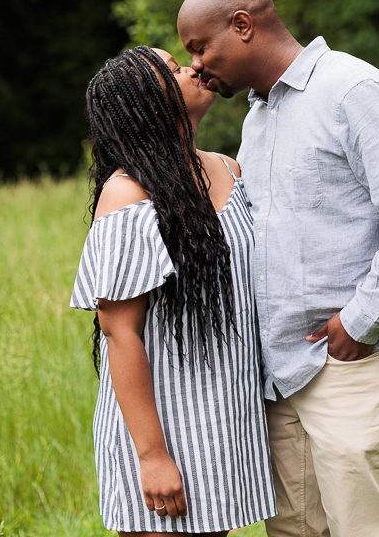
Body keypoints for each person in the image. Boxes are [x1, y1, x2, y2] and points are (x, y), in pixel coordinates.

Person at [177, 0, 379, 537]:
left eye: (199, 47)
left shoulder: (353, 89)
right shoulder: (258, 118)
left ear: (243, 25)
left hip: (354, 361)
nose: (198, 66)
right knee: (295, 531)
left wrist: (361, 320)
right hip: (282, 373)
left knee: (363, 529)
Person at [71, 45, 277, 536]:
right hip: (163, 427)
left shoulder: (230, 169)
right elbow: (118, 332)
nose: (192, 68)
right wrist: (152, 455)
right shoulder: (128, 193)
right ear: (147, 101)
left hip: (225, 419)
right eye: (172, 69)